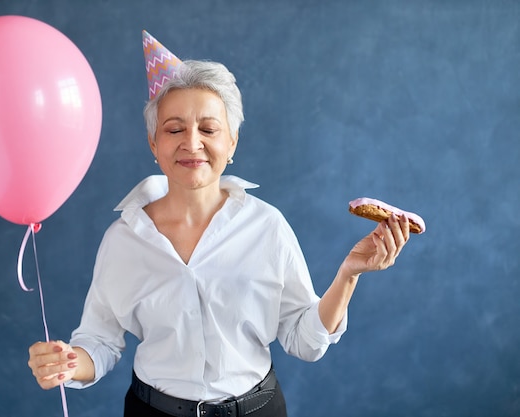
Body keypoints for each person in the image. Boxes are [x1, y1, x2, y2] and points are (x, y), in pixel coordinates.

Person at [27, 31, 412, 417]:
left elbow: (304, 341)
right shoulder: (123, 239)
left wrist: (348, 274)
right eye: (174, 129)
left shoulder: (267, 226)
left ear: (231, 144)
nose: (191, 143)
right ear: (153, 144)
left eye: (208, 130)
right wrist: (66, 362)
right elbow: (100, 341)